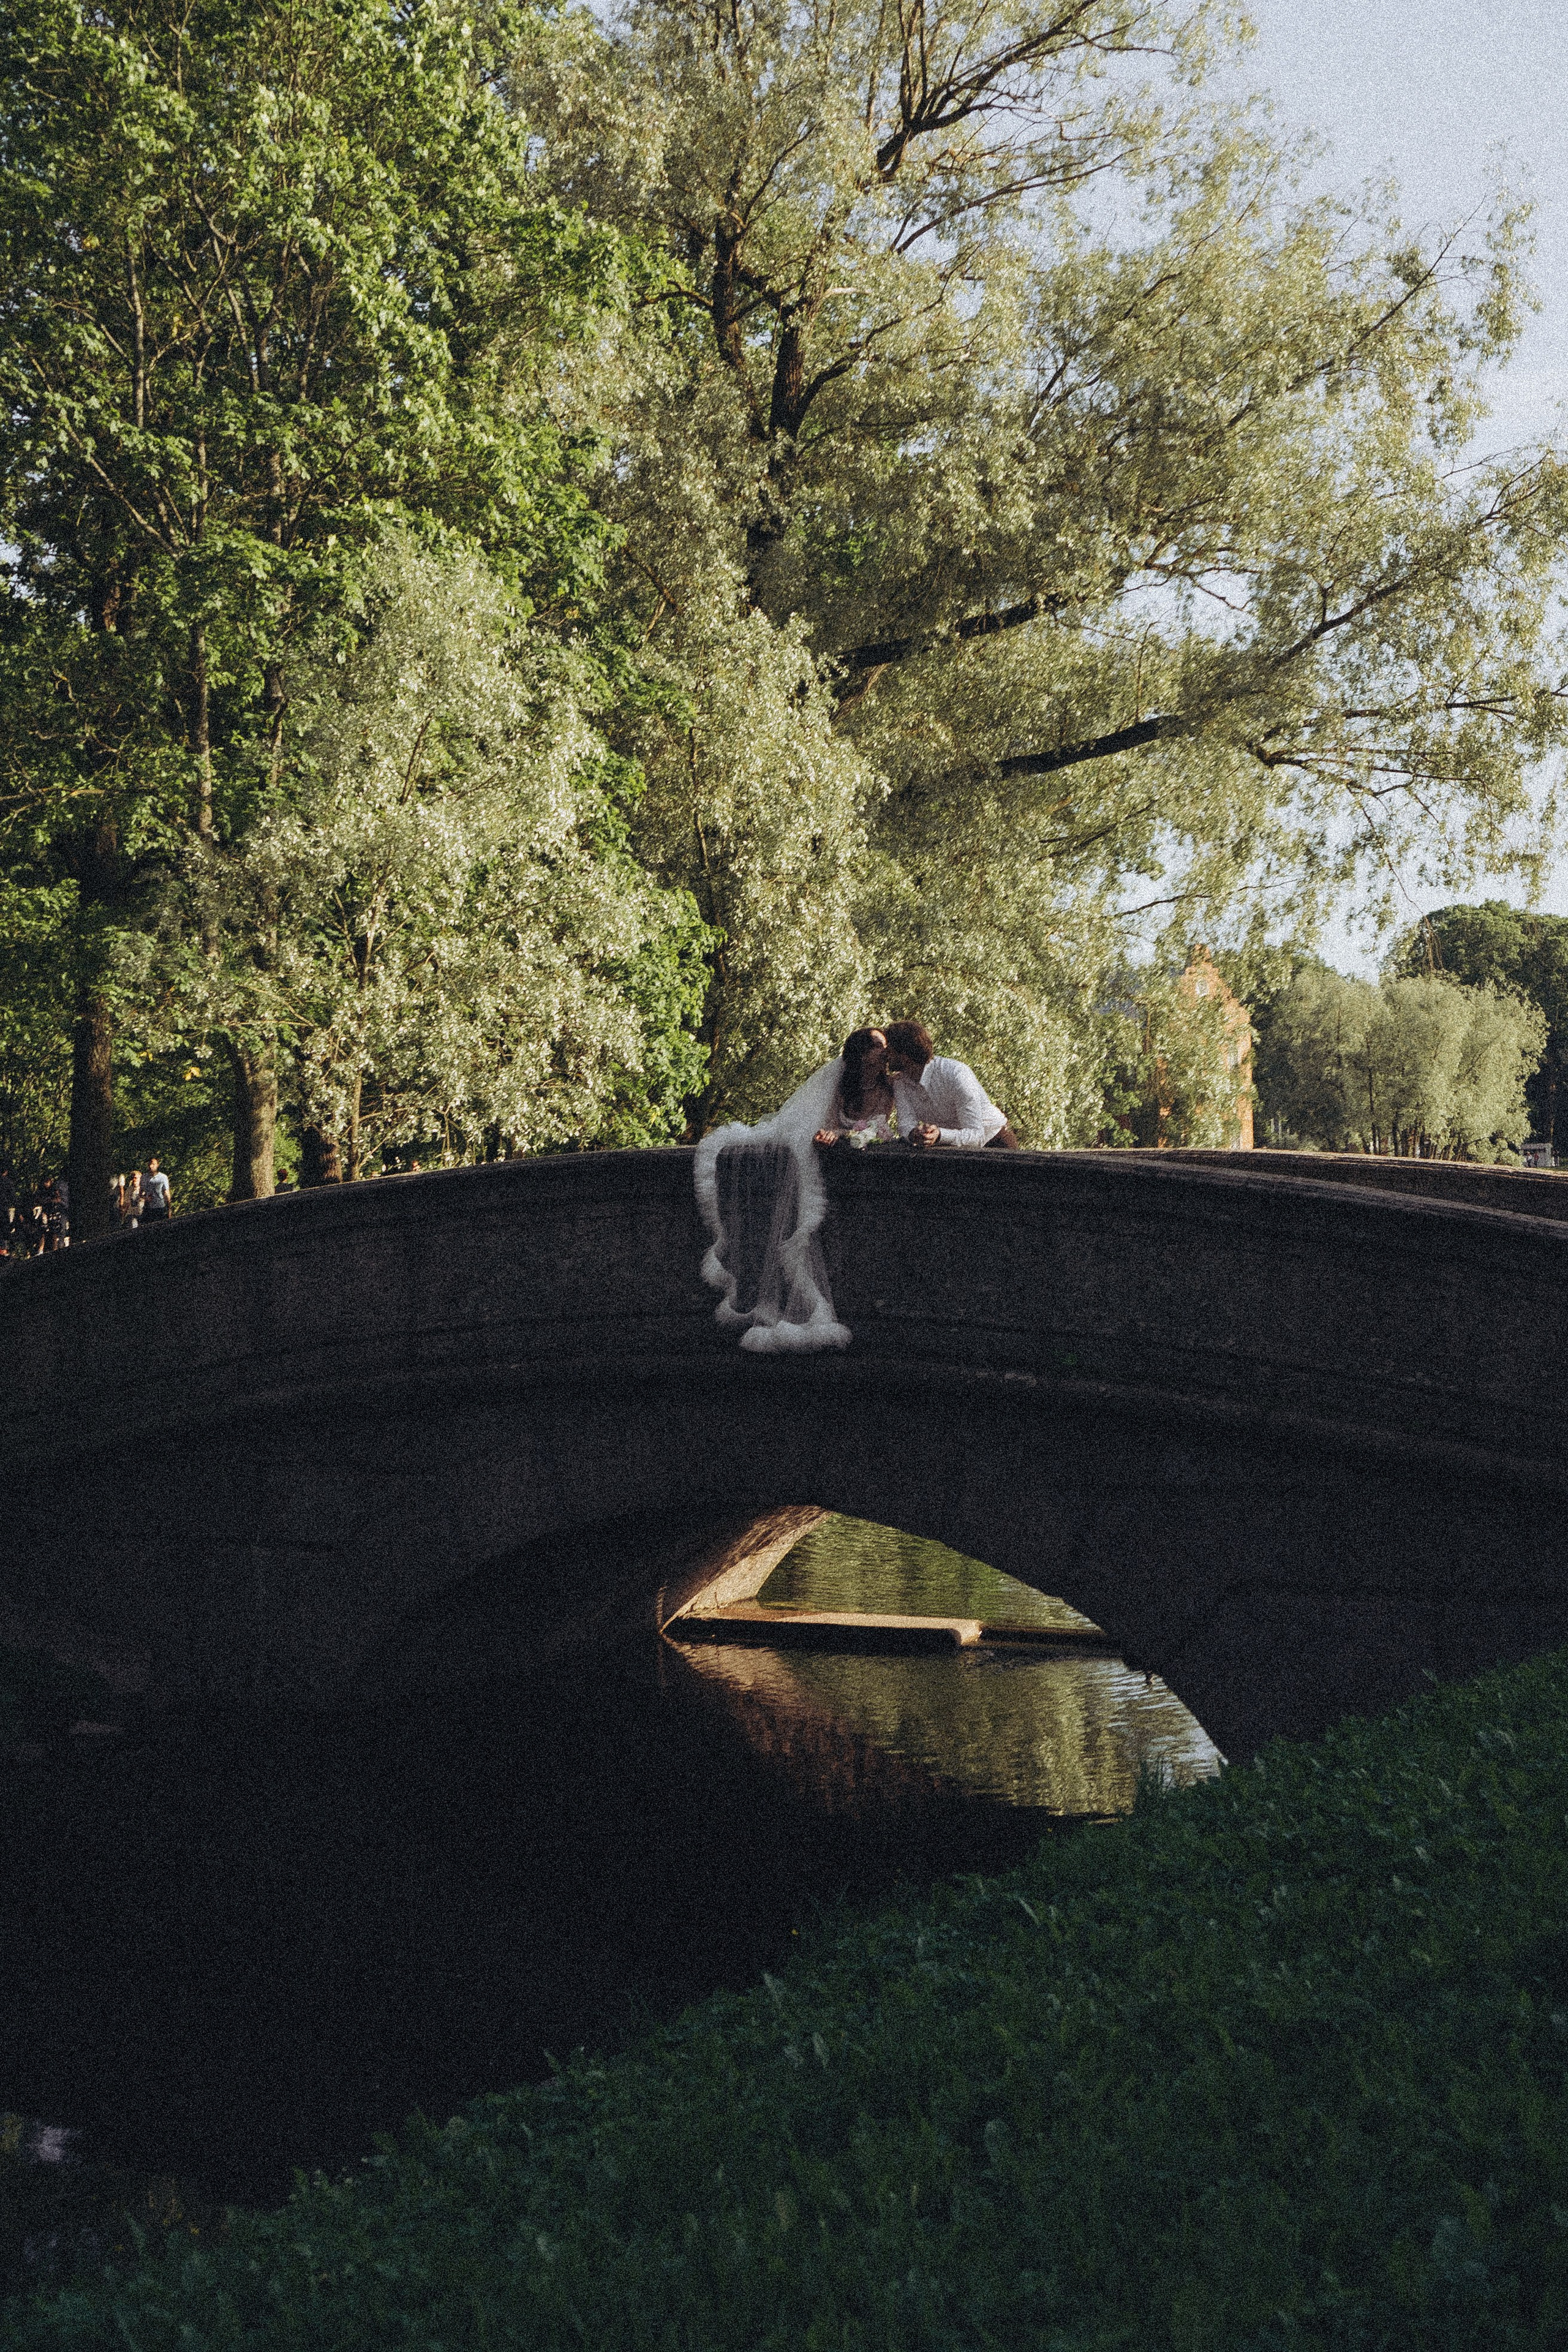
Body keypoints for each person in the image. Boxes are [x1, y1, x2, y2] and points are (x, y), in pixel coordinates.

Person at [883, 1019, 1020, 1148]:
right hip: (951, 1148)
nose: (885, 1055)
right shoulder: (900, 1083)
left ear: (905, 1054)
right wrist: (914, 1135)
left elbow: (976, 1135)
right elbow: (905, 1125)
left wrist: (940, 1135)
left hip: (995, 1141)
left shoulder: (955, 1073)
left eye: (889, 1049)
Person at [812, 1027, 898, 1147]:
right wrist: (826, 1135)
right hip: (838, 1152)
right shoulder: (839, 1086)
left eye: (886, 1046)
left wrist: (841, 1133)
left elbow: (877, 1128)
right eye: (879, 1046)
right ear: (862, 1054)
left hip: (874, 1155)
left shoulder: (890, 1085)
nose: (886, 1051)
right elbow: (828, 1127)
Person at [141, 1158, 172, 1222]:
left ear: (157, 1165)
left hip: (160, 1207)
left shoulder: (163, 1177)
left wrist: (169, 1208)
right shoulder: (144, 1177)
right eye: (149, 1164)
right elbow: (141, 1192)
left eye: (153, 1164)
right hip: (148, 1208)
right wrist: (146, 1198)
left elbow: (166, 1192)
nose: (151, 1166)